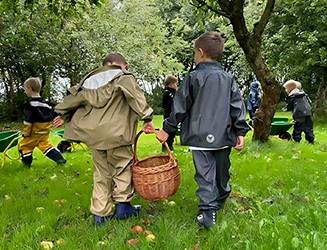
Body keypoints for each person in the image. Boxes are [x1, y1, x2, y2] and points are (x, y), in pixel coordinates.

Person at [156, 31, 249, 229]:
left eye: (194, 53)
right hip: (224, 136)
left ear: (200, 52)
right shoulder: (228, 78)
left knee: (205, 174)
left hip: (199, 137)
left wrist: (167, 129)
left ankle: (208, 213)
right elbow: (237, 106)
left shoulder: (192, 78)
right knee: (223, 171)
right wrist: (240, 131)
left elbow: (179, 107)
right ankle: (220, 200)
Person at [53, 53, 154, 225]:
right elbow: (135, 97)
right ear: (125, 65)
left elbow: (71, 101)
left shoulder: (88, 81)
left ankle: (100, 214)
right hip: (118, 134)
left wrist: (62, 114)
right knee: (122, 167)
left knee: (101, 173)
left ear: (105, 64)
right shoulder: (124, 77)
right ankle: (123, 208)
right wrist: (147, 117)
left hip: (94, 136)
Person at [19, 77, 66, 167]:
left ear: (30, 88)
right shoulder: (47, 105)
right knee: (47, 147)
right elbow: (55, 114)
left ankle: (27, 165)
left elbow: (28, 122)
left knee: (25, 146)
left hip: (32, 134)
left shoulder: (29, 105)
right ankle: (60, 159)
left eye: (25, 89)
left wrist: (25, 133)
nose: (25, 92)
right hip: (44, 132)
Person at [283, 80, 314, 144]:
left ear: (289, 89)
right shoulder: (304, 95)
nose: (285, 90)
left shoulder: (292, 96)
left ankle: (296, 140)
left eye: (286, 89)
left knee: (298, 128)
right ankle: (311, 140)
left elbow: (290, 104)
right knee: (309, 127)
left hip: (299, 114)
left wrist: (286, 108)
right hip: (308, 113)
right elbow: (310, 102)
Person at [162, 75, 178, 151]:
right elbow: (167, 104)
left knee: (173, 132)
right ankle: (165, 146)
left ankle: (170, 145)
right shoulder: (167, 93)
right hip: (168, 116)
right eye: (175, 84)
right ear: (170, 84)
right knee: (167, 131)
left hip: (173, 116)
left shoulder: (174, 93)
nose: (176, 86)